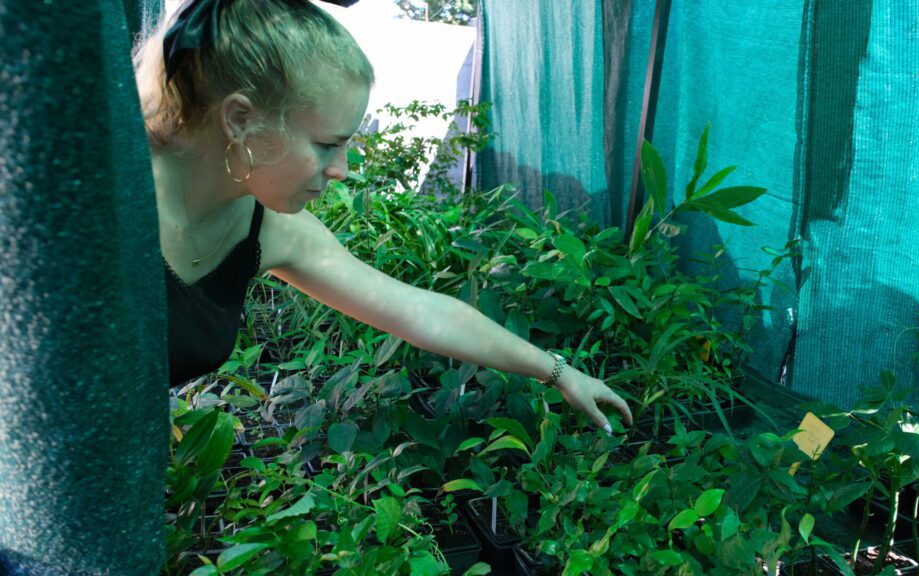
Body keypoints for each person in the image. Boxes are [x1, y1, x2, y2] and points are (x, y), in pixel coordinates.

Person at [133, 0, 632, 433]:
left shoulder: (270, 228)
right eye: (327, 144)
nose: (342, 171)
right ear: (240, 120)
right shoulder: (107, 206)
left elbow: (420, 311)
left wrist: (561, 373)